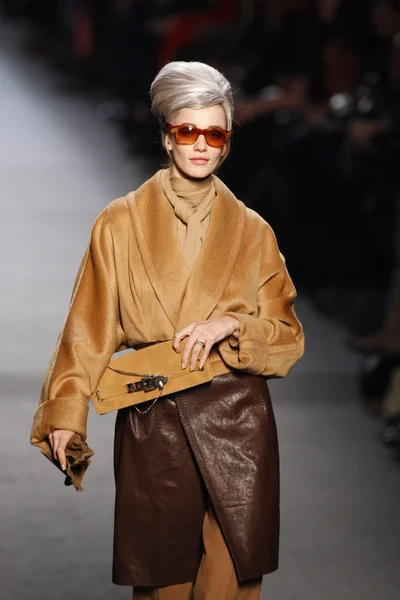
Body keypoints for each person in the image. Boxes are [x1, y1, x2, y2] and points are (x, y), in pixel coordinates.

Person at [30, 61, 305, 599]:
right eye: (188, 131)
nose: (201, 144)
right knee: (164, 588)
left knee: (231, 583)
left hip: (238, 424)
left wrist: (233, 323)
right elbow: (88, 326)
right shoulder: (121, 222)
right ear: (166, 137)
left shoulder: (253, 231)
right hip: (154, 421)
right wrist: (66, 410)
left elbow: (288, 337)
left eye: (214, 132)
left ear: (227, 142)